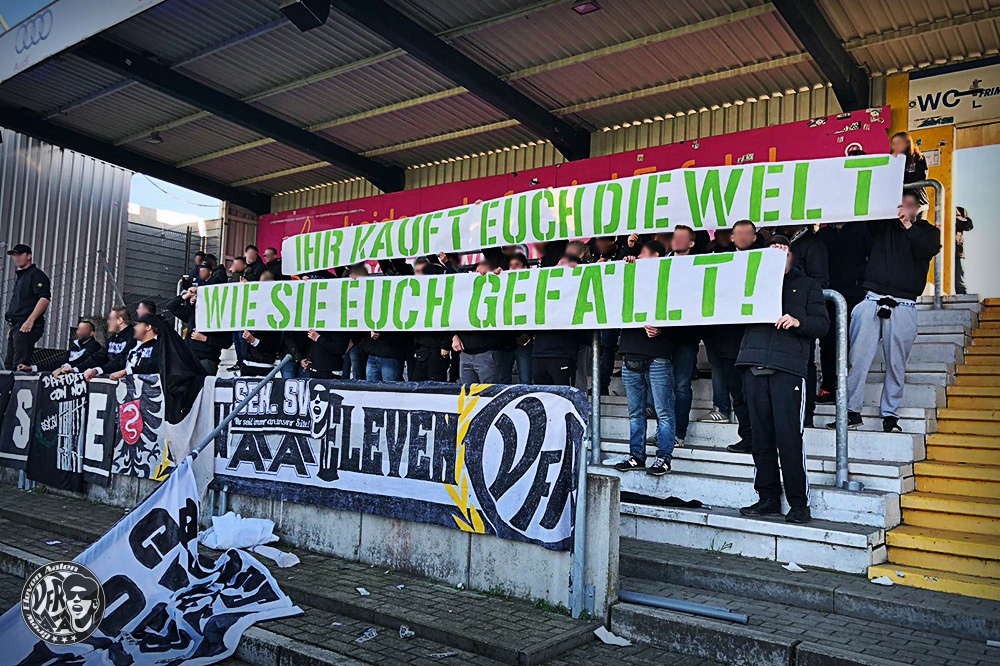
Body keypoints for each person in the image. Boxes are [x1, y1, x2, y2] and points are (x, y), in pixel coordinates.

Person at [737, 236, 829, 524]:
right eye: (772, 254)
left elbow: (823, 325)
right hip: (753, 364)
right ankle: (768, 498)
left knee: (789, 438)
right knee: (760, 438)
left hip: (788, 369)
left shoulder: (808, 286)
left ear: (792, 257)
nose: (779, 258)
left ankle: (799, 503)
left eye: (784, 253)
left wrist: (799, 322)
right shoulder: (751, 282)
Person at [834, 190, 941, 433]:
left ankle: (890, 415)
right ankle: (851, 411)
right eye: (900, 203)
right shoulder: (883, 226)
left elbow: (927, 249)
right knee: (857, 359)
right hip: (872, 299)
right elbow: (867, 213)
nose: (904, 207)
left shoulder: (927, 232)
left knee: (896, 364)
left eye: (909, 204)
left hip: (904, 303)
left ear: (918, 208)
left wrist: (907, 224)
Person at [613, 240, 675, 477]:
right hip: (632, 353)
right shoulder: (630, 275)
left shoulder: (670, 278)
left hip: (658, 354)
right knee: (635, 412)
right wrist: (626, 262)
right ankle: (636, 455)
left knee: (663, 411)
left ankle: (664, 457)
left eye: (642, 253)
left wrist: (663, 330)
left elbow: (684, 314)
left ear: (656, 255)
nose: (638, 257)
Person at [699, 220, 762, 453]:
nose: (743, 237)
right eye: (738, 234)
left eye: (748, 234)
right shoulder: (719, 261)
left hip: (755, 340)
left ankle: (762, 437)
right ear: (732, 237)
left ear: (754, 237)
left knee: (755, 395)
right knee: (739, 395)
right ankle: (749, 438)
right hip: (727, 340)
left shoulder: (767, 258)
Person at [815, 221, 873, 403]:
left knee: (852, 341)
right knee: (827, 341)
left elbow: (871, 255)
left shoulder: (861, 228)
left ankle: (848, 388)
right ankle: (828, 386)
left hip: (855, 294)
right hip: (829, 295)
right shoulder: (822, 235)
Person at [784, 225, 830, 427]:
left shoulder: (812, 243)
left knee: (805, 366)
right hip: (777, 327)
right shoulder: (782, 239)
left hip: (802, 321)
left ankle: (806, 413)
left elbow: (821, 281)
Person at [667, 226, 700, 447]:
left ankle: (678, 433)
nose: (676, 240)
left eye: (682, 238)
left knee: (680, 385)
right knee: (662, 387)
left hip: (686, 336)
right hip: (661, 337)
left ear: (691, 243)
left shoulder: (699, 266)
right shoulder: (659, 263)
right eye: (674, 237)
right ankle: (664, 432)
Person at [453, 260, 505, 383]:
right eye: (475, 272)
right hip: (465, 354)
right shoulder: (463, 294)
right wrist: (454, 336)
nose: (478, 274)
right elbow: (451, 315)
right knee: (467, 393)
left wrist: (498, 275)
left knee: (487, 392)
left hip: (486, 353)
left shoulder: (494, 292)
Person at [5, 244, 51, 371]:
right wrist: (13, 327)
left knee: (20, 363)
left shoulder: (36, 275)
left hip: (27, 325)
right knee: (10, 364)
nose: (16, 258)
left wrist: (30, 320)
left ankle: (20, 383)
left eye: (20, 254)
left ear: (29, 256)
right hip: (17, 325)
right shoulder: (22, 276)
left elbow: (44, 299)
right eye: (14, 255)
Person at [83, 307, 138, 380]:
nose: (108, 322)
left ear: (120, 320)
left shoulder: (134, 337)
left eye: (110, 319)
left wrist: (98, 370)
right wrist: (75, 369)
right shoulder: (112, 339)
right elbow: (99, 357)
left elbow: (121, 360)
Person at [109, 313, 161, 379]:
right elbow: (119, 361)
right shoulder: (134, 344)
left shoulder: (159, 346)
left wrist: (127, 371)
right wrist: (99, 370)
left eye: (138, 324)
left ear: (148, 327)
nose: (134, 327)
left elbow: (153, 366)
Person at [891, 131, 928, 211]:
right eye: (894, 143)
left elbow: (921, 177)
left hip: (918, 201)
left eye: (899, 143)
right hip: (899, 202)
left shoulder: (918, 158)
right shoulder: (892, 159)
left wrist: (902, 179)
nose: (896, 146)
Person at [955, 206, 973, 295]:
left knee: (960, 283)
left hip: (957, 252)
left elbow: (968, 225)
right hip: (937, 251)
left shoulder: (959, 211)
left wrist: (956, 217)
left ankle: (962, 298)